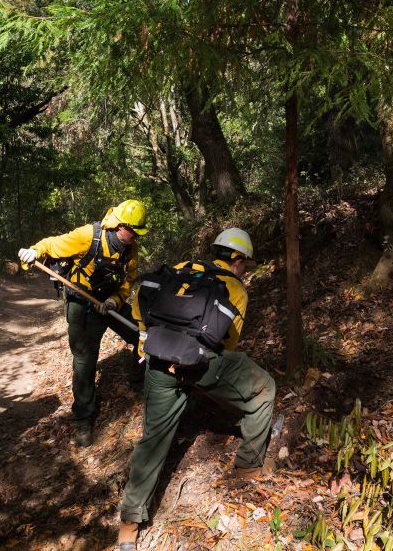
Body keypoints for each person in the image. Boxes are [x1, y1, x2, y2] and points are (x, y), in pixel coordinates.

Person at [115, 228, 276, 550]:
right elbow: (227, 342)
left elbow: (140, 312)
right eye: (245, 264)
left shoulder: (179, 268)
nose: (245, 270)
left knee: (153, 439)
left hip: (157, 360)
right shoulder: (235, 288)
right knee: (265, 389)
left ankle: (129, 527)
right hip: (200, 365)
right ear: (238, 259)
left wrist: (154, 343)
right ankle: (248, 467)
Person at [18, 199, 148, 447]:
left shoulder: (131, 250)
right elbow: (52, 245)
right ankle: (83, 418)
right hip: (82, 303)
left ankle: (137, 381)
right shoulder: (88, 235)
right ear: (120, 225)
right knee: (85, 358)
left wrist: (113, 300)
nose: (134, 237)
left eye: (137, 233)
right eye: (132, 232)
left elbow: (127, 283)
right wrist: (34, 251)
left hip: (109, 303)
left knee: (143, 335)